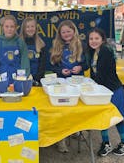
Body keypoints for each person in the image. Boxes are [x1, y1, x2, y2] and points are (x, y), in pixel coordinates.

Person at [86, 27, 124, 157]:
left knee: (117, 117)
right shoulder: (94, 52)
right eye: (91, 38)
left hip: (113, 89)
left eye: (96, 38)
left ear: (102, 39)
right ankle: (106, 143)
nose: (93, 41)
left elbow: (101, 74)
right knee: (103, 116)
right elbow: (94, 71)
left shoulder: (105, 51)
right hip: (102, 90)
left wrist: (91, 85)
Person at [49, 20, 87, 153]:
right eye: (63, 32)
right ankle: (61, 139)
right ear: (60, 33)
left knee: (76, 109)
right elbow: (52, 66)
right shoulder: (56, 45)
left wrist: (81, 66)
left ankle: (74, 130)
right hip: (62, 83)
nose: (66, 34)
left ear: (74, 31)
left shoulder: (81, 44)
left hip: (77, 82)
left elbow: (86, 63)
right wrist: (60, 72)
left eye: (68, 31)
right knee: (63, 110)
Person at [0, 15, 30, 82]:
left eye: (12, 27)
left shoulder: (20, 43)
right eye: (7, 26)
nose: (9, 29)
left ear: (16, 28)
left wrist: (23, 79)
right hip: (2, 79)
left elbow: (25, 63)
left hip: (18, 78)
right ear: (3, 28)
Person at [19, 17, 46, 85]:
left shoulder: (41, 43)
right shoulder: (18, 43)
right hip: (22, 79)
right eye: (27, 27)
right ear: (24, 29)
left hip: (37, 79)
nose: (30, 29)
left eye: (32, 26)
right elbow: (17, 63)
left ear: (36, 28)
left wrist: (36, 78)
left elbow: (42, 64)